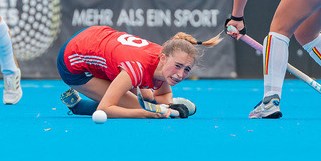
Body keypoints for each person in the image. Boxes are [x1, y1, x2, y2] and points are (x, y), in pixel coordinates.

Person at [57, 26, 216, 118]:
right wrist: (147, 113)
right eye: (178, 66)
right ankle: (79, 106)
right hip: (73, 60)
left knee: (147, 97)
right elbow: (104, 109)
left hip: (96, 39)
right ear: (163, 58)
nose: (180, 75)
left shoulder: (165, 59)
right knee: (137, 106)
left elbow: (162, 95)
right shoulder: (135, 68)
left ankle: (143, 102)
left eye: (186, 69)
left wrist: (167, 105)